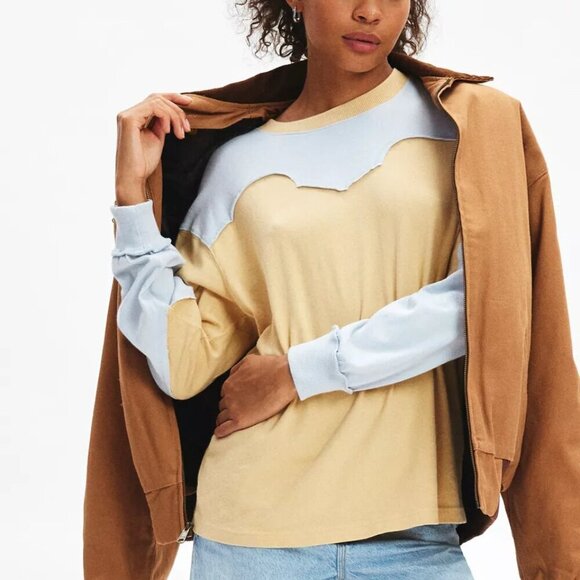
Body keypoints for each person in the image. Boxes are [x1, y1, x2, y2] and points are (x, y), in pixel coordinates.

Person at [109, 2, 544, 578]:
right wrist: (133, 204)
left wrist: (300, 371)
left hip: (415, 538)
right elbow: (182, 364)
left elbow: (486, 303)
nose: (369, 11)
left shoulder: (470, 125)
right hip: (251, 537)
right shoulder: (239, 164)